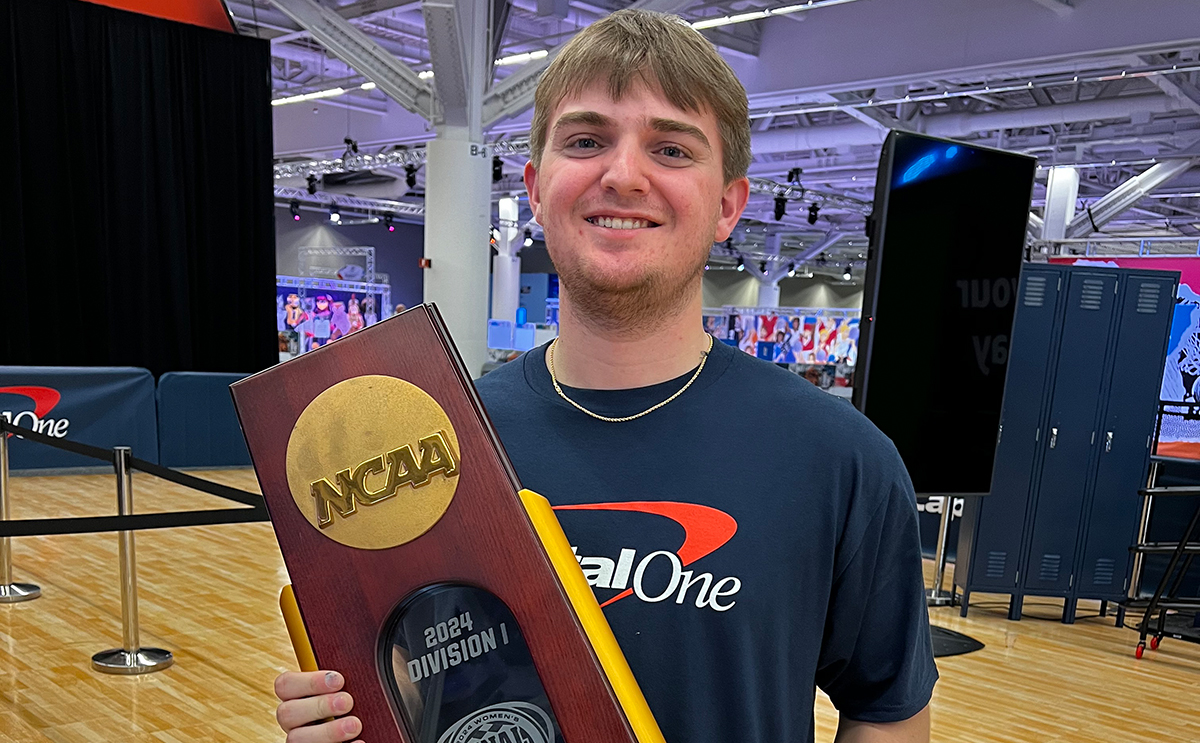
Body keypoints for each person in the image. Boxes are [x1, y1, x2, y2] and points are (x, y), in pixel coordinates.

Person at [272, 9, 936, 743]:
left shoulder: (840, 459)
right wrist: (354, 706)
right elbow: (419, 672)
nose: (623, 175)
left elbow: (887, 709)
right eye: (586, 141)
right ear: (535, 186)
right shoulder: (441, 444)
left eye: (672, 148)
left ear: (728, 205)